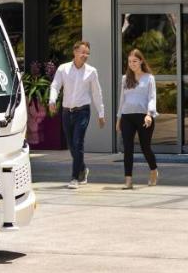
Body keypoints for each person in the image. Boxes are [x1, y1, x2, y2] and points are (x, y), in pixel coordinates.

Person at [48, 40, 104, 189]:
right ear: (75, 52)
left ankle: (74, 178)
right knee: (72, 145)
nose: (85, 55)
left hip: (83, 111)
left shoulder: (91, 71)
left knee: (78, 142)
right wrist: (52, 100)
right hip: (67, 112)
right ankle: (83, 168)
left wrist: (101, 113)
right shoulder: (63, 69)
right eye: (82, 52)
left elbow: (96, 93)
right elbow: (55, 86)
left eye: (87, 53)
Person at [116, 49, 159, 190]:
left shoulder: (149, 78)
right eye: (129, 62)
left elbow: (152, 97)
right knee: (127, 149)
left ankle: (153, 171)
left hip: (144, 116)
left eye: (134, 61)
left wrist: (149, 114)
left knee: (145, 147)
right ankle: (128, 180)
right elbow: (122, 99)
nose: (132, 64)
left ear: (141, 61)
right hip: (127, 117)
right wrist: (119, 119)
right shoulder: (125, 79)